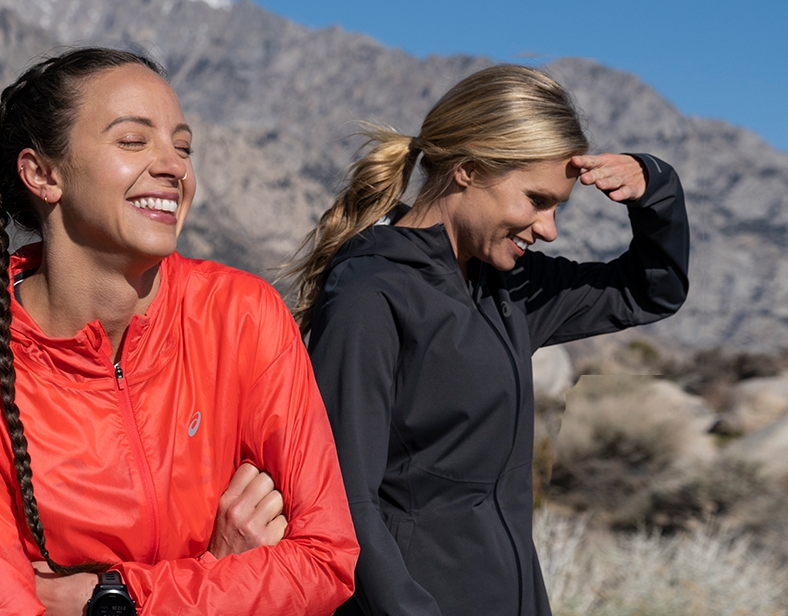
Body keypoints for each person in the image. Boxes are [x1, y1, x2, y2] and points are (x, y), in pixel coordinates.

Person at [0, 48, 358, 616]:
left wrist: (109, 599)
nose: (174, 166)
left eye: (183, 147)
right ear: (43, 174)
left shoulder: (243, 318)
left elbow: (326, 560)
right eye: (133, 141)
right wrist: (223, 572)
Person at [286, 64, 690, 616]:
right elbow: (342, 501)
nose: (549, 228)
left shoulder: (510, 288)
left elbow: (650, 291)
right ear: (469, 170)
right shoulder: (370, 295)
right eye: (537, 200)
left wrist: (655, 186)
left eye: (557, 207)